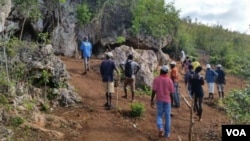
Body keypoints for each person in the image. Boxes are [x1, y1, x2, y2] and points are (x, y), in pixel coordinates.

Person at [151, 65, 175, 139]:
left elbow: (154, 90)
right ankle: (167, 134)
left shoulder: (156, 79)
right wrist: (172, 101)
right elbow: (171, 92)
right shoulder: (169, 80)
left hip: (159, 100)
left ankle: (160, 127)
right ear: (167, 72)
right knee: (167, 117)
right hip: (167, 100)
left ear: (161, 71)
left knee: (159, 115)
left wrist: (151, 100)